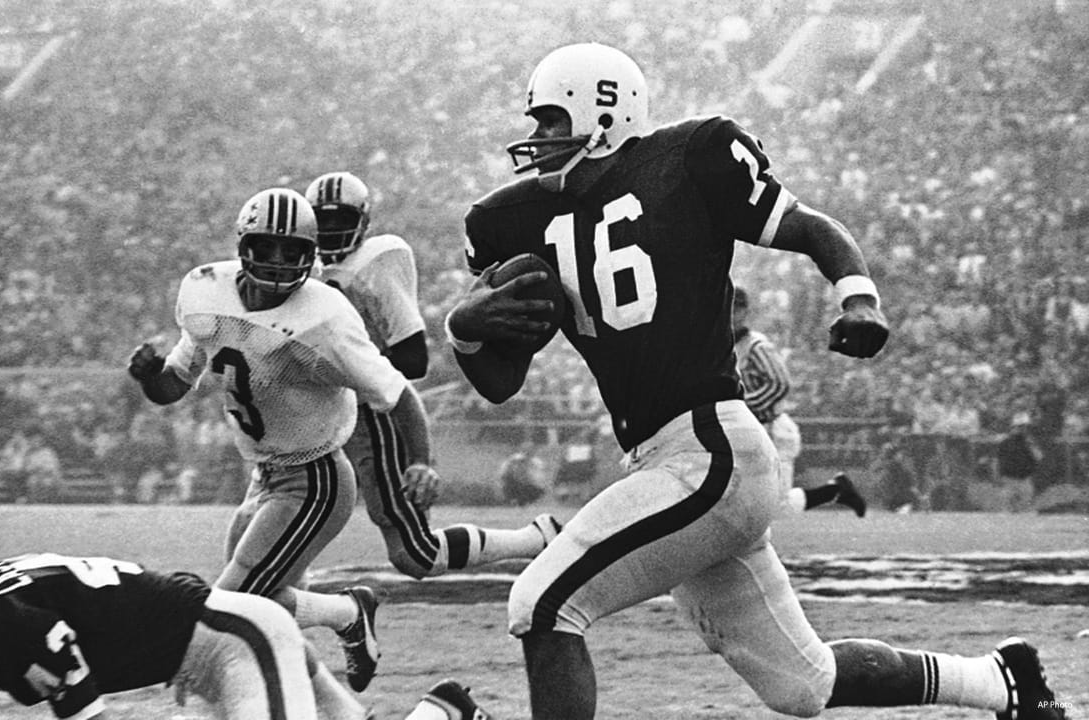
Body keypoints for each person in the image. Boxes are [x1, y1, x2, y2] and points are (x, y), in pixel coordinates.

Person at [444, 42, 1064, 720]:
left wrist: (857, 296)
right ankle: (997, 680)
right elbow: (498, 383)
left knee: (545, 605)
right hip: (666, 463)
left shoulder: (687, 159)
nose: (536, 139)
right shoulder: (511, 219)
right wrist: (464, 328)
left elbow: (809, 227)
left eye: (550, 121)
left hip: (710, 450)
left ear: (603, 114)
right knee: (805, 685)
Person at [127, 187, 435, 693]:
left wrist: (422, 460)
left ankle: (243, 674)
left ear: (309, 256)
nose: (277, 262)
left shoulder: (326, 316)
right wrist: (148, 376)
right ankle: (346, 620)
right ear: (243, 245)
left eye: (291, 251)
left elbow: (399, 394)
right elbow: (173, 386)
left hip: (315, 479)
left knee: (227, 609)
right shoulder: (207, 292)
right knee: (265, 605)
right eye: (267, 248)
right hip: (264, 478)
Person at [0, 537, 490, 720]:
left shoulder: (9, 627)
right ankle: (445, 710)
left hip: (231, 641)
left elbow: (89, 716)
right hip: (213, 644)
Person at [308, 170, 560, 579]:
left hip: (376, 414)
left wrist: (350, 365)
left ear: (363, 222)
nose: (330, 231)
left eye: (340, 220)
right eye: (322, 221)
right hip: (336, 415)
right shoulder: (317, 272)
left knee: (414, 553)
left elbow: (412, 360)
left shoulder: (375, 262)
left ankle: (537, 538)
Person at [730, 284, 866, 517]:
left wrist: (742, 407)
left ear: (743, 311)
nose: (726, 315)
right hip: (749, 431)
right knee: (744, 500)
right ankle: (836, 490)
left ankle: (836, 490)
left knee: (776, 505)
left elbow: (779, 384)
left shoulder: (756, 345)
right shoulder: (728, 345)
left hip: (771, 427)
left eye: (732, 309)